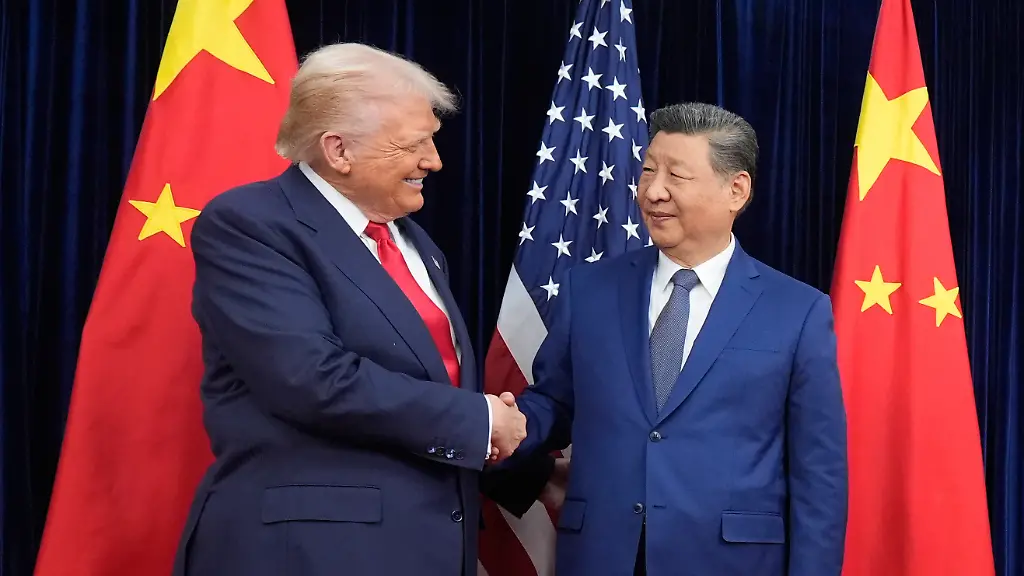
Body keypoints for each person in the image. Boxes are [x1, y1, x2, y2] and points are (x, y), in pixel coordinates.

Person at [171, 42, 527, 576]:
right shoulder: (252, 224)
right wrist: (479, 419)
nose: (434, 160)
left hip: (421, 546)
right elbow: (310, 378)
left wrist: (529, 471)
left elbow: (426, 386)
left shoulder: (415, 245)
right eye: (416, 144)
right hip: (308, 553)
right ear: (338, 150)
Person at [487, 102, 848, 575]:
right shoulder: (589, 290)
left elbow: (818, 474)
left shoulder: (797, 310)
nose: (653, 192)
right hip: (603, 555)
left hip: (729, 561)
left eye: (676, 176)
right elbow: (556, 402)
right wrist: (504, 425)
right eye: (648, 171)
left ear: (736, 190)